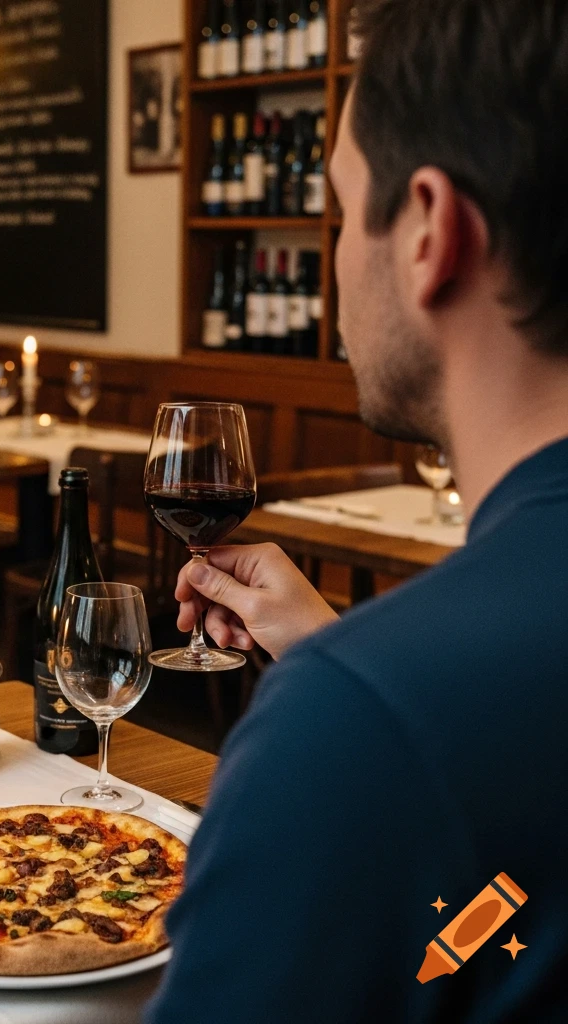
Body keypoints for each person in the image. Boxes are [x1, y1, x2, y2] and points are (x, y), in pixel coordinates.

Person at [146, 0, 568, 1020]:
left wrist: (355, 698)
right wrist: (338, 656)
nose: (336, 262)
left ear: (430, 229)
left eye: (341, 213)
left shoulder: (343, 727)